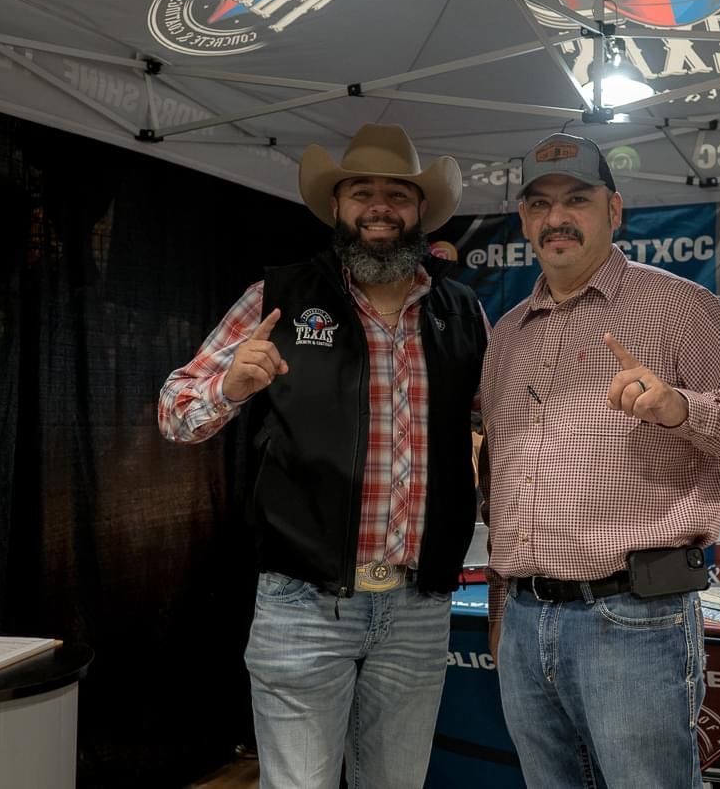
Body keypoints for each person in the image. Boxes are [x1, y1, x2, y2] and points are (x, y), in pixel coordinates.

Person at [158, 123, 487, 789]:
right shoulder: (276, 297)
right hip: (302, 606)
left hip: (418, 608)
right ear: (335, 208)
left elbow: (494, 428)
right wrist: (229, 387)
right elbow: (175, 411)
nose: (379, 208)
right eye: (361, 192)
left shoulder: (461, 311)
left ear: (420, 211)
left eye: (397, 194)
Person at [480, 132, 720, 788]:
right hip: (522, 621)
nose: (556, 218)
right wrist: (502, 616)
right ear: (523, 220)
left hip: (631, 619)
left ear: (614, 210)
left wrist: (681, 409)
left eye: (577, 199)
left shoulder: (675, 306)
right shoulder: (507, 334)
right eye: (539, 204)